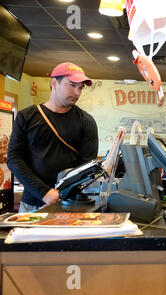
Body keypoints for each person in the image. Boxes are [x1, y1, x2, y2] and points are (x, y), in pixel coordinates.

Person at [7, 62, 99, 212]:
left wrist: (63, 194)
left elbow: (87, 167)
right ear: (54, 83)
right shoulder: (27, 116)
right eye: (72, 85)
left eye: (80, 87)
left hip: (70, 206)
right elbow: (13, 159)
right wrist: (44, 192)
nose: (77, 92)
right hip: (31, 205)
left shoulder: (86, 121)